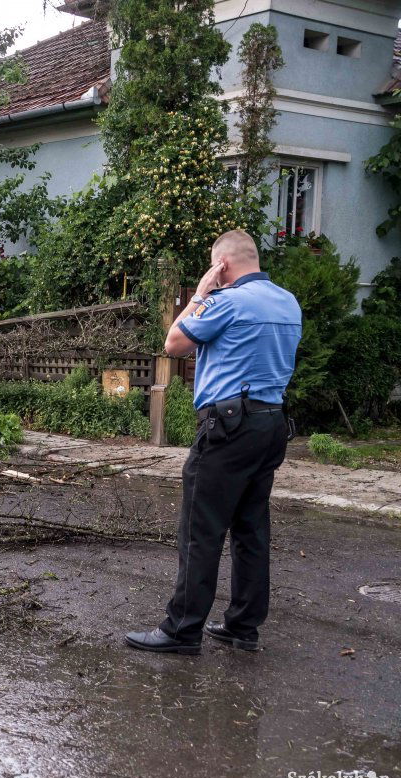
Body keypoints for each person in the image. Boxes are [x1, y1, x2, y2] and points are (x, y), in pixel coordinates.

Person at [126, 230, 301, 655]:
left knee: (200, 530)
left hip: (228, 427)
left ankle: (181, 630)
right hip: (271, 424)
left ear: (220, 265)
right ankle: (243, 626)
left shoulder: (226, 301)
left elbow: (174, 343)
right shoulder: (288, 302)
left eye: (212, 267)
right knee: (251, 529)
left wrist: (199, 294)